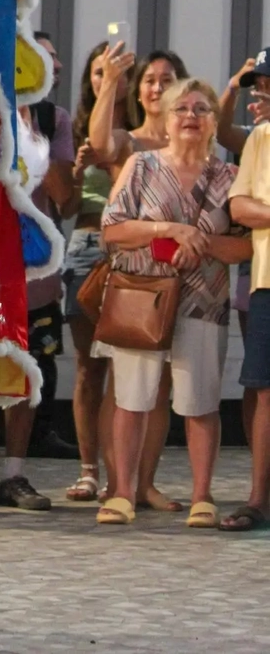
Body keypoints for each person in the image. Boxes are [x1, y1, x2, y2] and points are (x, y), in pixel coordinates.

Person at [98, 78, 250, 527]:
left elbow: (245, 247)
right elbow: (113, 230)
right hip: (141, 298)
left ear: (213, 122)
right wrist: (169, 231)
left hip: (204, 300)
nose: (191, 116)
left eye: (202, 110)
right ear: (165, 120)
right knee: (132, 397)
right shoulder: (141, 166)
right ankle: (124, 492)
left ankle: (203, 496)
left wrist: (200, 242)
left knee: (200, 401)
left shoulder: (230, 178)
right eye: (182, 108)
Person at [89, 45, 187, 511]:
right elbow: (103, 145)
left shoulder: (192, 139)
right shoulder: (130, 142)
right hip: (131, 277)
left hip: (176, 281)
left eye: (167, 80)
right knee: (121, 382)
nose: (157, 87)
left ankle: (145, 482)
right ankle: (117, 483)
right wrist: (110, 80)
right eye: (150, 79)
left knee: (161, 385)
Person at [0, 85, 76, 512]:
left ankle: (14, 474)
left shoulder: (52, 118)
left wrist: (34, 133)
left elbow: (67, 197)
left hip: (35, 274)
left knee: (27, 375)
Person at [63, 42, 133, 503]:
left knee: (124, 369)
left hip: (128, 253)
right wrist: (75, 171)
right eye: (95, 71)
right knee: (89, 369)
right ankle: (89, 471)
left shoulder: (140, 133)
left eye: (111, 71)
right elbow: (66, 206)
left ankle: (121, 476)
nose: (102, 78)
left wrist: (107, 162)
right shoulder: (73, 128)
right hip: (85, 246)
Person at [222, 50, 270, 530]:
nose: (263, 92)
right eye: (260, 85)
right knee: (263, 388)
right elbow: (240, 209)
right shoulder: (261, 138)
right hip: (267, 282)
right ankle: (258, 497)